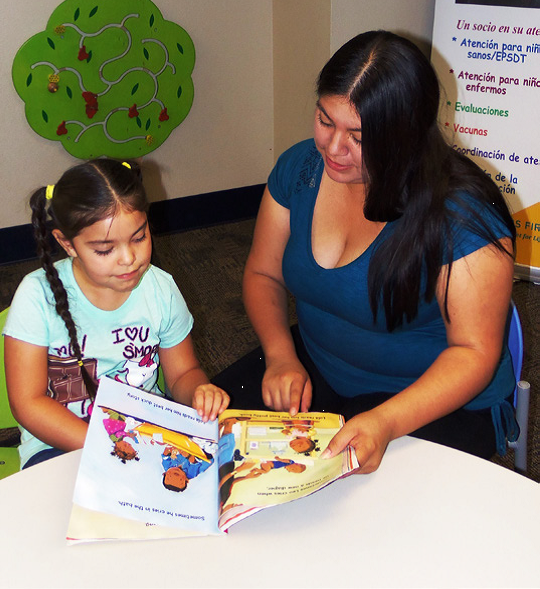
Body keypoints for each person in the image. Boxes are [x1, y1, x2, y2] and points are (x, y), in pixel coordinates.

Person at [213, 30, 517, 474]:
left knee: (344, 523)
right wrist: (280, 355)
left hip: (432, 401)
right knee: (199, 447)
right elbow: (264, 274)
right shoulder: (300, 169)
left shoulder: (466, 217)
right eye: (325, 119)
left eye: (359, 135)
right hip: (317, 366)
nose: (333, 149)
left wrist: (387, 420)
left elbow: (473, 353)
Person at [4, 159, 229, 470]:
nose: (129, 259)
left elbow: (182, 374)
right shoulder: (35, 296)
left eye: (139, 237)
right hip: (60, 443)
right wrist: (103, 443)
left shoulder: (159, 289)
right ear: (67, 243)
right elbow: (28, 404)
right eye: (105, 250)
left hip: (146, 433)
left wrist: (199, 391)